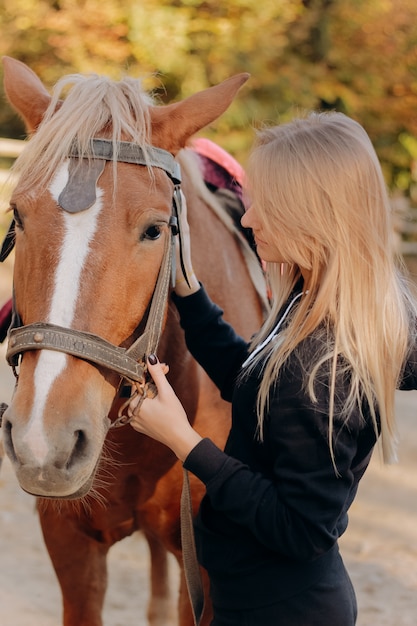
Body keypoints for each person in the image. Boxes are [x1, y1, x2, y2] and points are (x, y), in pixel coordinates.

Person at [128, 111, 417, 626]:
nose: (249, 218)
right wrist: (192, 301)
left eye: (267, 205)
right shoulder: (312, 301)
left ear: (316, 214)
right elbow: (261, 389)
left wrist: (183, 441)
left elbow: (303, 529)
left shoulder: (324, 364)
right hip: (254, 600)